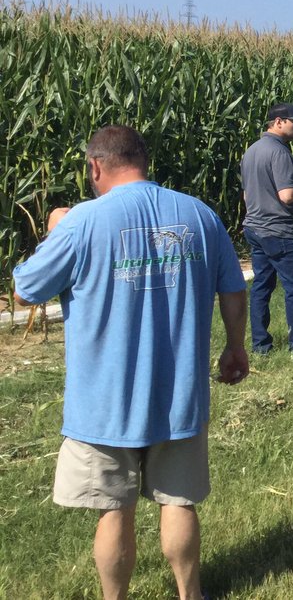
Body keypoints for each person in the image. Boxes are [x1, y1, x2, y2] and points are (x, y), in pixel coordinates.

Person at [13, 125, 248, 600]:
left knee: (112, 510)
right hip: (179, 395)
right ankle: (191, 594)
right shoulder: (198, 214)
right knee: (179, 502)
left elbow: (25, 288)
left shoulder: (82, 222)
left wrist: (54, 229)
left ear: (95, 167)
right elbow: (234, 287)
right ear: (143, 160)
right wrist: (235, 346)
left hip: (104, 403)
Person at [241, 102, 293, 354]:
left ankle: (260, 344)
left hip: (255, 227)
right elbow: (286, 195)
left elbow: (246, 194)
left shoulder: (251, 151)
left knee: (262, 285)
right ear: (278, 122)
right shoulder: (280, 152)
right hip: (280, 230)